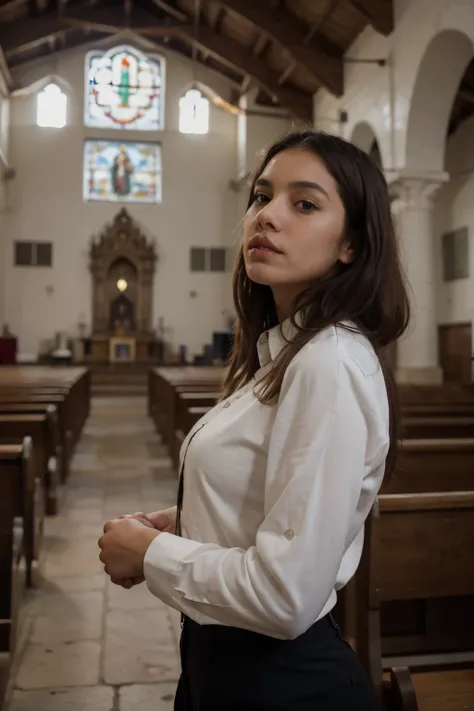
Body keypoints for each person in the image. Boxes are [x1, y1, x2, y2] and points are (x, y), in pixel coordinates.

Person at [98, 130, 410, 710]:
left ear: (351, 244)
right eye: (261, 196)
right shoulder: (284, 353)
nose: (267, 216)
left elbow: (284, 595)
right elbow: (273, 493)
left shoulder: (328, 363)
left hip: (284, 687)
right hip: (226, 671)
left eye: (305, 203)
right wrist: (187, 520)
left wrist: (149, 553)